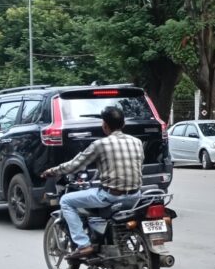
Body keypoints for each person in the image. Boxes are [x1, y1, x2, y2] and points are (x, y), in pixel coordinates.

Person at [41, 107, 144, 259]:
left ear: (105, 125)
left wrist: (52, 171)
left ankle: (84, 245)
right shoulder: (137, 142)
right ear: (123, 124)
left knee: (66, 201)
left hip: (111, 196)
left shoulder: (100, 144)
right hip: (135, 196)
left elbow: (75, 165)